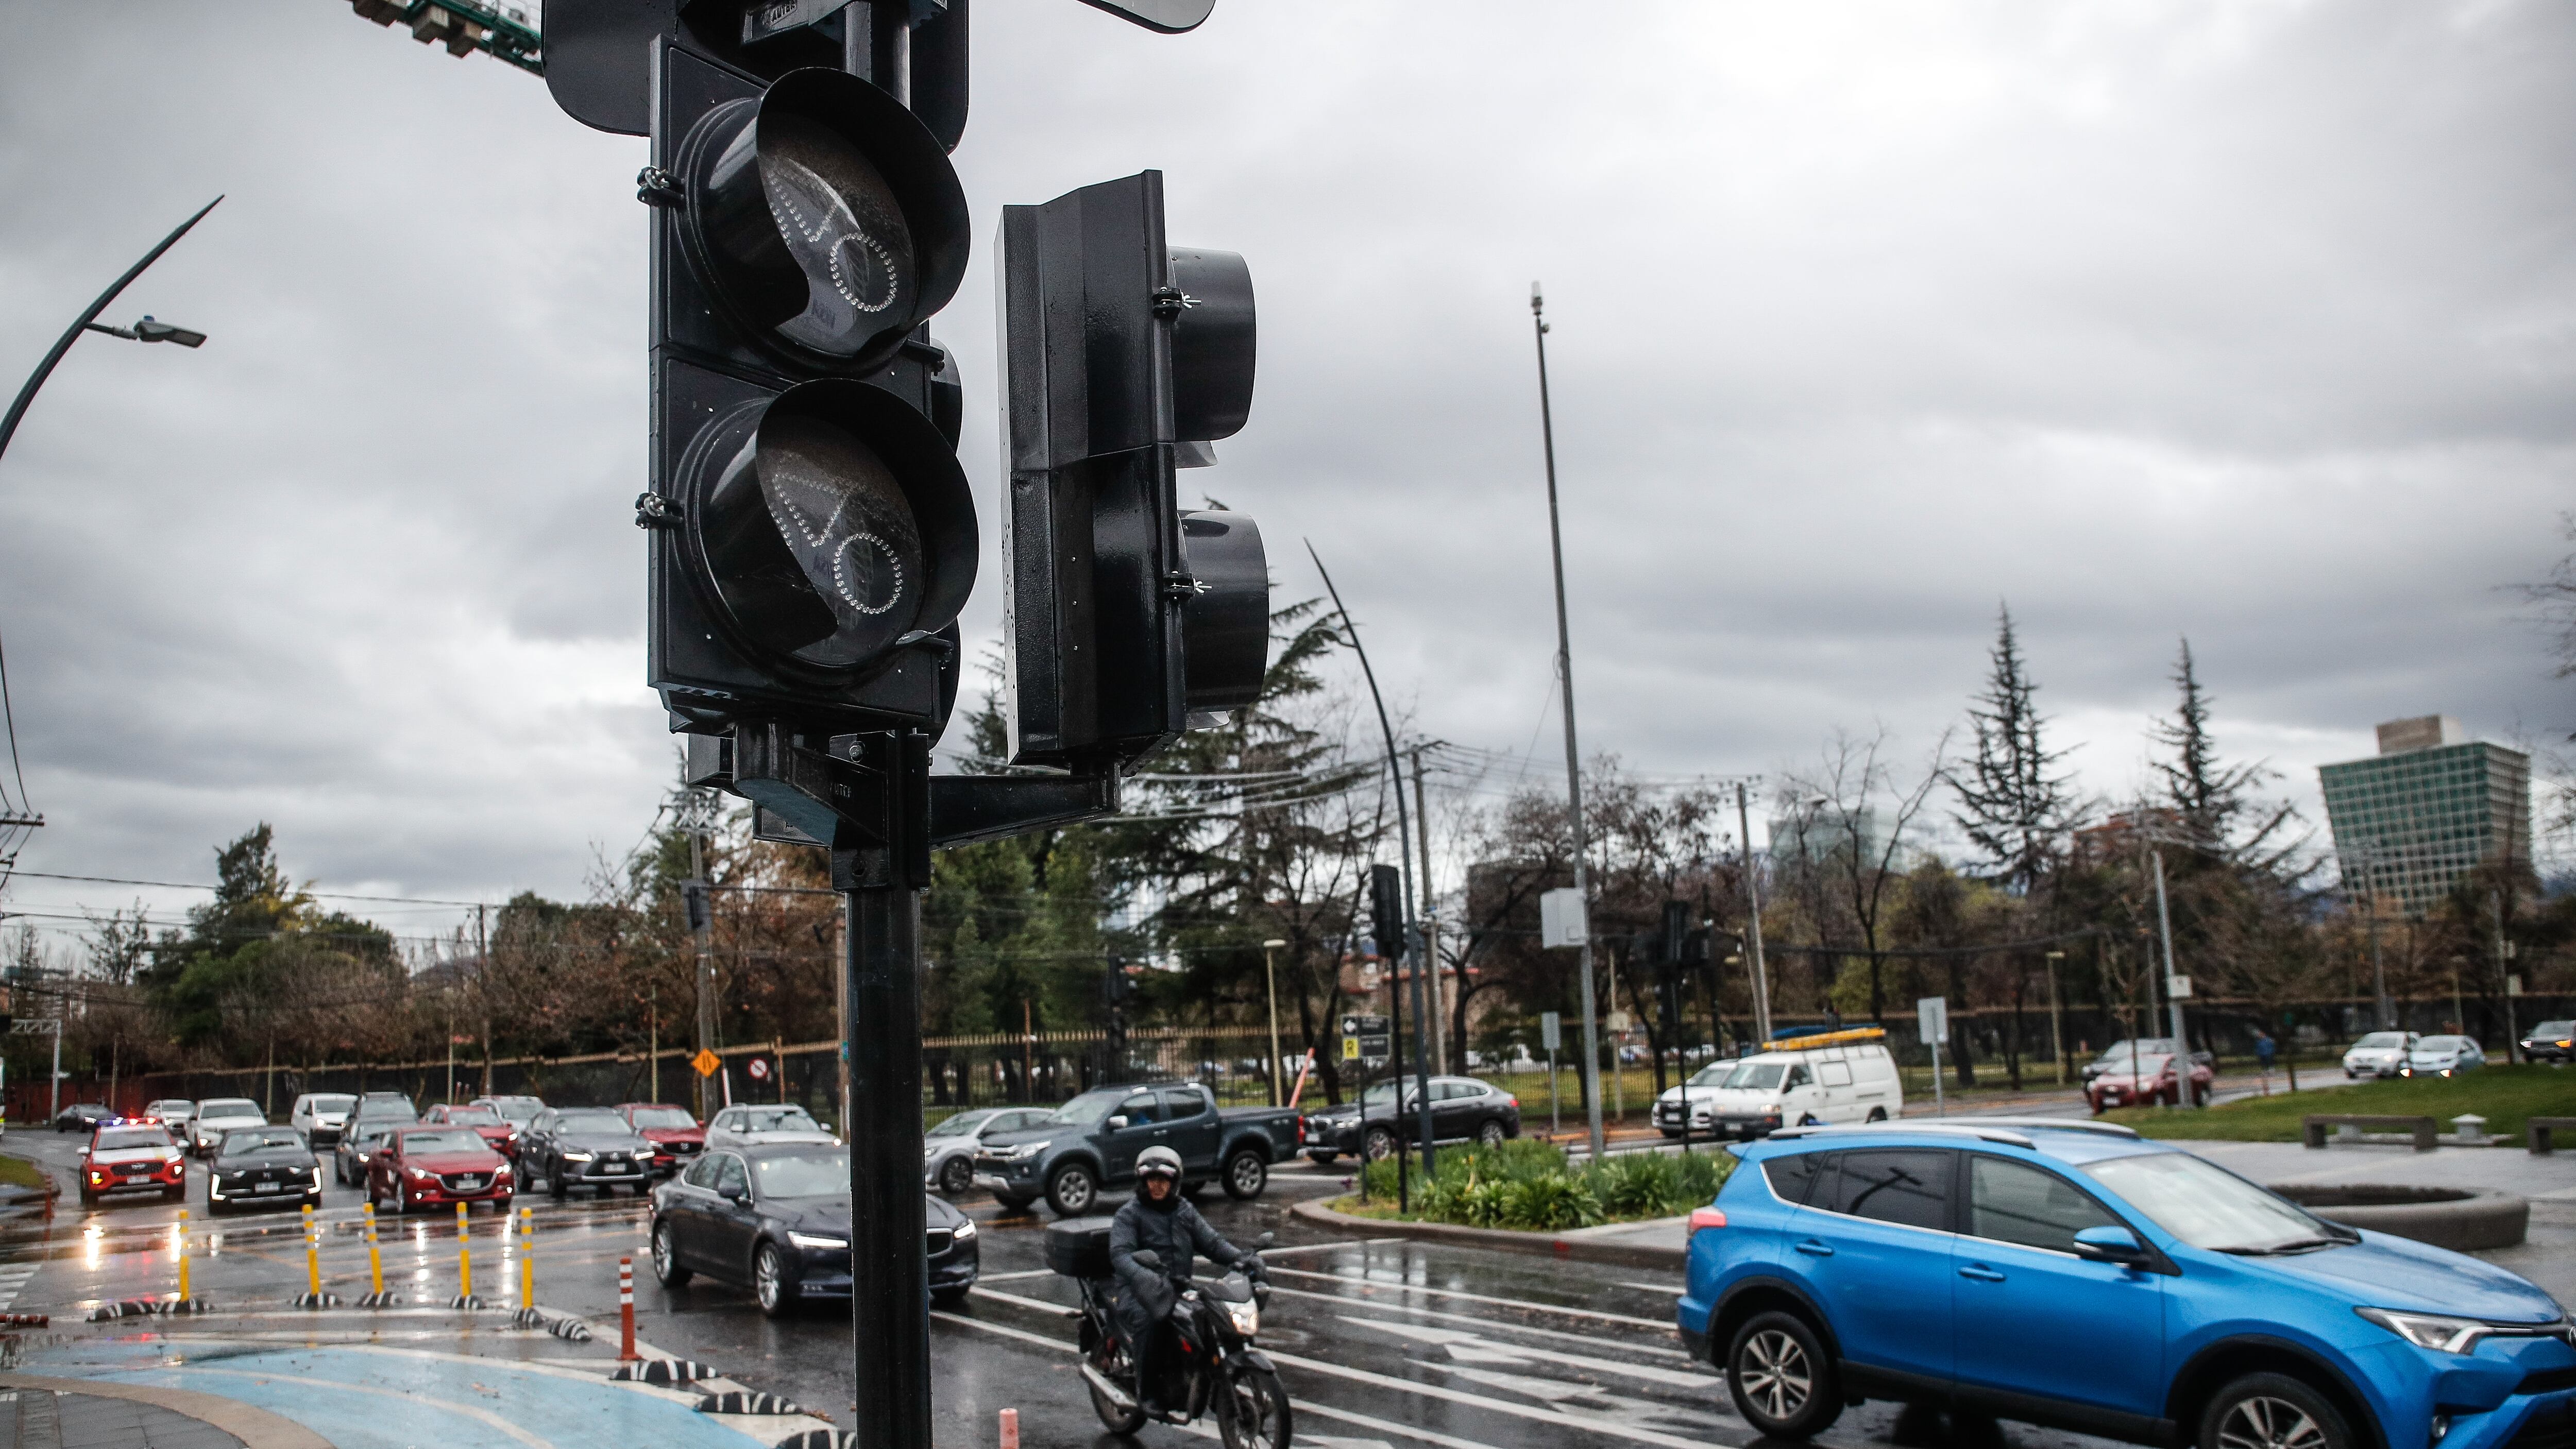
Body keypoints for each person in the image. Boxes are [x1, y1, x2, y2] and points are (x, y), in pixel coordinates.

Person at [1108, 1145, 1262, 1418]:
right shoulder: (1129, 1215)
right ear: (1143, 1182)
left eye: (1164, 1180)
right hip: (1139, 1291)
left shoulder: (1184, 1210)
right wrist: (1143, 1275)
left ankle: (1203, 1377)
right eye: (1152, 1180)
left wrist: (1242, 1259)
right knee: (1152, 1321)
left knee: (1212, 1317)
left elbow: (1212, 1243)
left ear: (1174, 1182)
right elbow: (1121, 1256)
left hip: (1177, 1287)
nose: (1158, 1186)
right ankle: (1148, 1393)